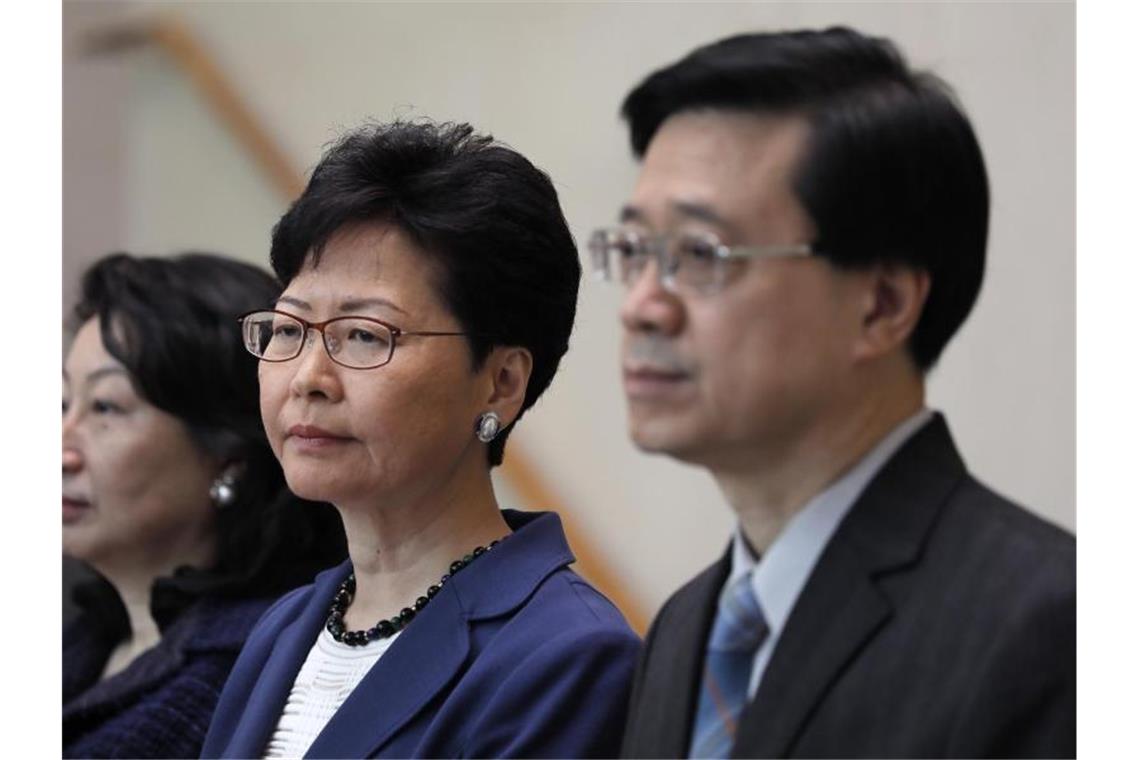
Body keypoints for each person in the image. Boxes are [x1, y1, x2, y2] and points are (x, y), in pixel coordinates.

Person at [591, 27, 1075, 759]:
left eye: (699, 253)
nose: (642, 306)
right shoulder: (683, 630)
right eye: (633, 252)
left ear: (881, 306)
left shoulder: (1050, 626)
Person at [201, 119, 639, 759]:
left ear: (501, 383)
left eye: (365, 336)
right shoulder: (286, 626)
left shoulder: (566, 655)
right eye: (289, 329)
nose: (309, 379)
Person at [63, 252, 347, 758]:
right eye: (64, 403)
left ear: (229, 454)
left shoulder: (248, 674)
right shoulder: (85, 632)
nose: (63, 450)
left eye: (106, 407)